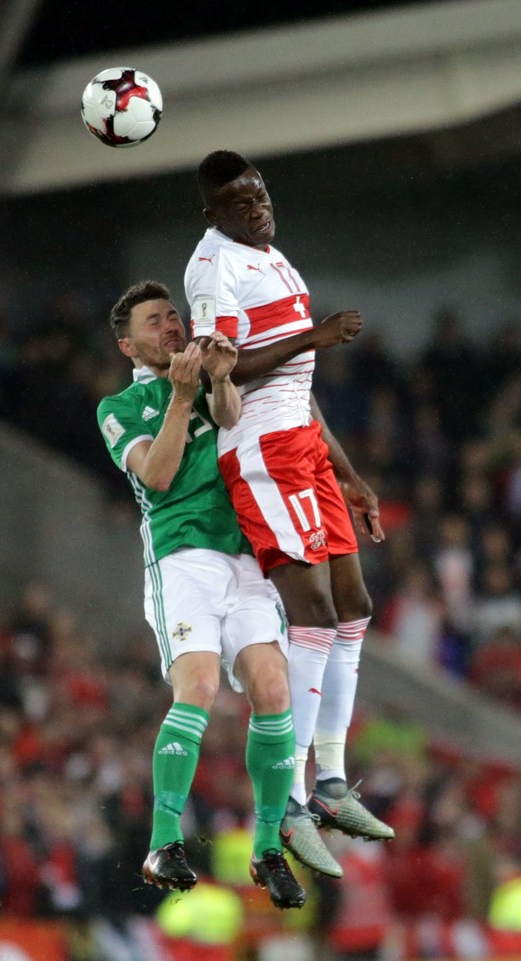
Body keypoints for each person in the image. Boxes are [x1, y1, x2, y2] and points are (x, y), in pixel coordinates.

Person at [184, 150, 395, 878]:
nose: (258, 208)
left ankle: (331, 781)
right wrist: (316, 334)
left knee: (355, 605)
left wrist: (351, 473)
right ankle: (293, 799)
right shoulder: (214, 268)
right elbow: (223, 369)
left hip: (303, 442)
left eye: (261, 194)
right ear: (215, 213)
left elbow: (298, 384)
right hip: (262, 450)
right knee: (311, 613)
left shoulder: (272, 257)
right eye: (241, 203)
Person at [97, 279, 306, 910]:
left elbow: (236, 423)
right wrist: (184, 396)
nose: (170, 327)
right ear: (127, 343)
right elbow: (158, 477)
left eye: (173, 317)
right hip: (182, 555)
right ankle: (164, 840)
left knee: (273, 687)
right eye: (154, 322)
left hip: (243, 552)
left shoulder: (213, 375)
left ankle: (267, 848)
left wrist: (216, 382)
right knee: (200, 687)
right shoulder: (119, 407)